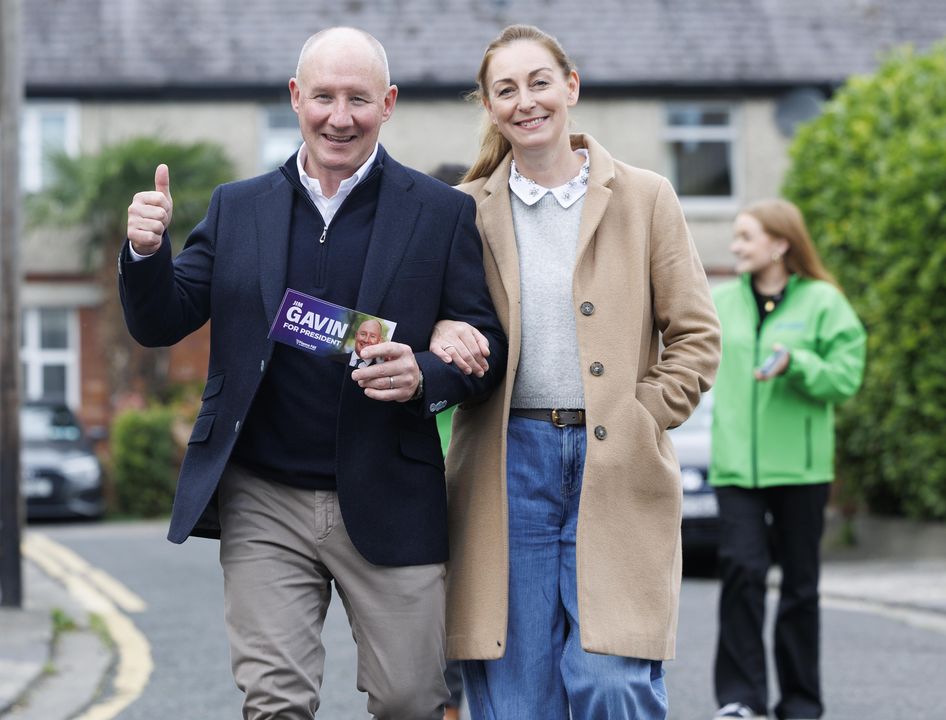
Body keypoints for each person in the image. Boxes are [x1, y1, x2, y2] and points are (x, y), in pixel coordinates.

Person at [121, 26, 506, 720]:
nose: (340, 116)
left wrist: (424, 374)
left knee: (412, 699)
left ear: (387, 104)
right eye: (323, 96)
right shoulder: (239, 208)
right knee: (276, 702)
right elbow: (161, 321)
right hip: (264, 496)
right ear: (296, 98)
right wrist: (146, 253)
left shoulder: (442, 213)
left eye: (358, 98)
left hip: (390, 490)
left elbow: (486, 349)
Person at [428, 24, 721, 720]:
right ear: (490, 106)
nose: (525, 101)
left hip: (615, 465)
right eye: (506, 90)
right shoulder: (461, 212)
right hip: (505, 471)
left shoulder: (646, 198)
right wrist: (440, 328)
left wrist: (643, 413)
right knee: (519, 696)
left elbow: (696, 335)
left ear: (571, 87)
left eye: (539, 82)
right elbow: (426, 321)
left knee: (611, 682)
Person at [708, 199, 866, 720]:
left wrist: (798, 363)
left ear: (780, 244)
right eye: (736, 236)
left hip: (801, 469)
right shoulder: (721, 300)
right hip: (736, 467)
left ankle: (799, 703)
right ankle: (740, 699)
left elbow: (844, 379)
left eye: (746, 237)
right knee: (741, 573)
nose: (735, 246)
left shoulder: (824, 302)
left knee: (800, 588)